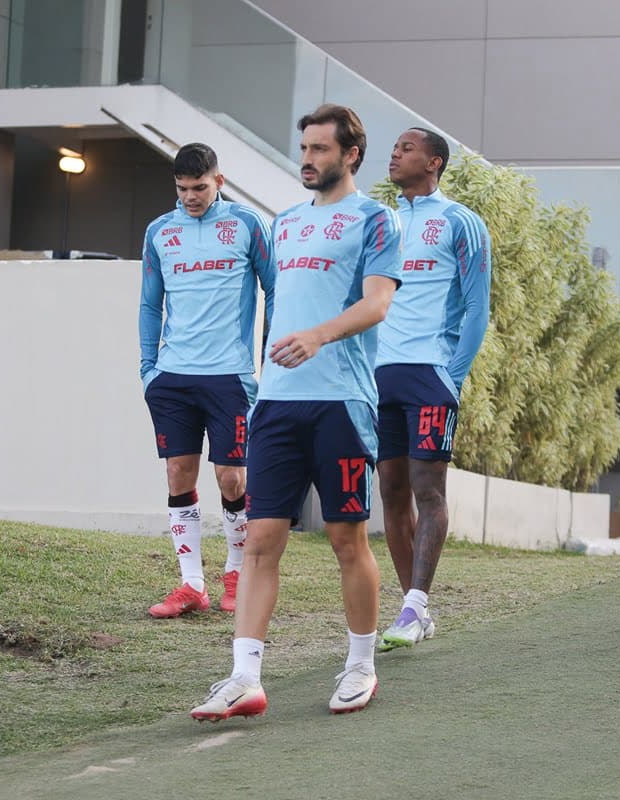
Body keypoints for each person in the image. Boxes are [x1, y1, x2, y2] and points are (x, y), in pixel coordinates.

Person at [190, 104, 402, 720]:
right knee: (260, 539)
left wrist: (318, 336)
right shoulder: (283, 224)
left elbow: (377, 305)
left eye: (319, 149)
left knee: (345, 537)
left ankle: (361, 664)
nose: (307, 159)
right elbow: (277, 311)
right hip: (277, 405)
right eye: (304, 148)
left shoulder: (375, 219)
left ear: (350, 155)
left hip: (341, 400)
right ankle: (244, 678)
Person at [140, 143, 274, 618]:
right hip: (173, 376)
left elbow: (275, 290)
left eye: (200, 187)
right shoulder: (159, 231)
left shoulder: (248, 224)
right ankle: (191, 584)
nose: (191, 196)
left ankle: (235, 572)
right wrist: (148, 368)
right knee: (179, 472)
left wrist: (267, 362)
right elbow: (150, 304)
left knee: (232, 478)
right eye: (182, 189)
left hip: (229, 375)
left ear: (219, 180)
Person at [375, 127, 491, 651]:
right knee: (391, 492)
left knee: (428, 490)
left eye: (407, 148)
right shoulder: (382, 223)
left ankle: (416, 603)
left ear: (435, 162)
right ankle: (412, 610)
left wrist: (453, 375)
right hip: (379, 375)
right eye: (394, 148)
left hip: (430, 376)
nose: (395, 154)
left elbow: (476, 307)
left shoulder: (460, 222)